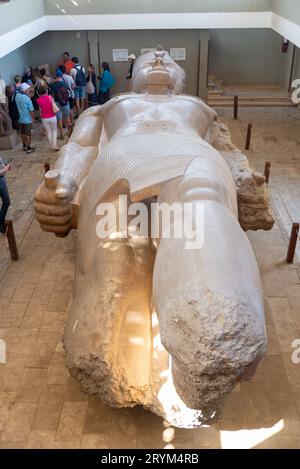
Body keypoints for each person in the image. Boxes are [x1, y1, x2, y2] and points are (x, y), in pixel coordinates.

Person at [50, 69, 71, 140]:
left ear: (56, 76)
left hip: (56, 103)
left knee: (59, 119)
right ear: (61, 76)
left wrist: (54, 81)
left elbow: (51, 91)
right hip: (65, 103)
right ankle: (69, 132)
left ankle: (61, 134)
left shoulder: (53, 85)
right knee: (67, 117)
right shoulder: (64, 84)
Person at [37, 85, 58, 152]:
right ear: (46, 91)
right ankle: (54, 145)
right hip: (52, 116)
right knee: (54, 131)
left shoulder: (38, 100)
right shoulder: (50, 97)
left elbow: (40, 110)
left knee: (48, 132)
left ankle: (51, 146)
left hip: (44, 118)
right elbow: (54, 106)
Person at [15, 83, 35, 154]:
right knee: (28, 134)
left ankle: (24, 146)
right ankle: (29, 148)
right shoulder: (27, 98)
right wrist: (33, 119)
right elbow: (31, 110)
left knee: (22, 133)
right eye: (27, 89)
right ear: (25, 90)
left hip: (20, 119)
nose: (28, 90)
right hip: (27, 119)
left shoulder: (16, 96)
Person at [0, 156, 10, 234]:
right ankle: (1, 223)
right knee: (6, 201)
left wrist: (6, 165)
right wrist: (5, 169)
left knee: (6, 201)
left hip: (2, 180)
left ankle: (1, 222)